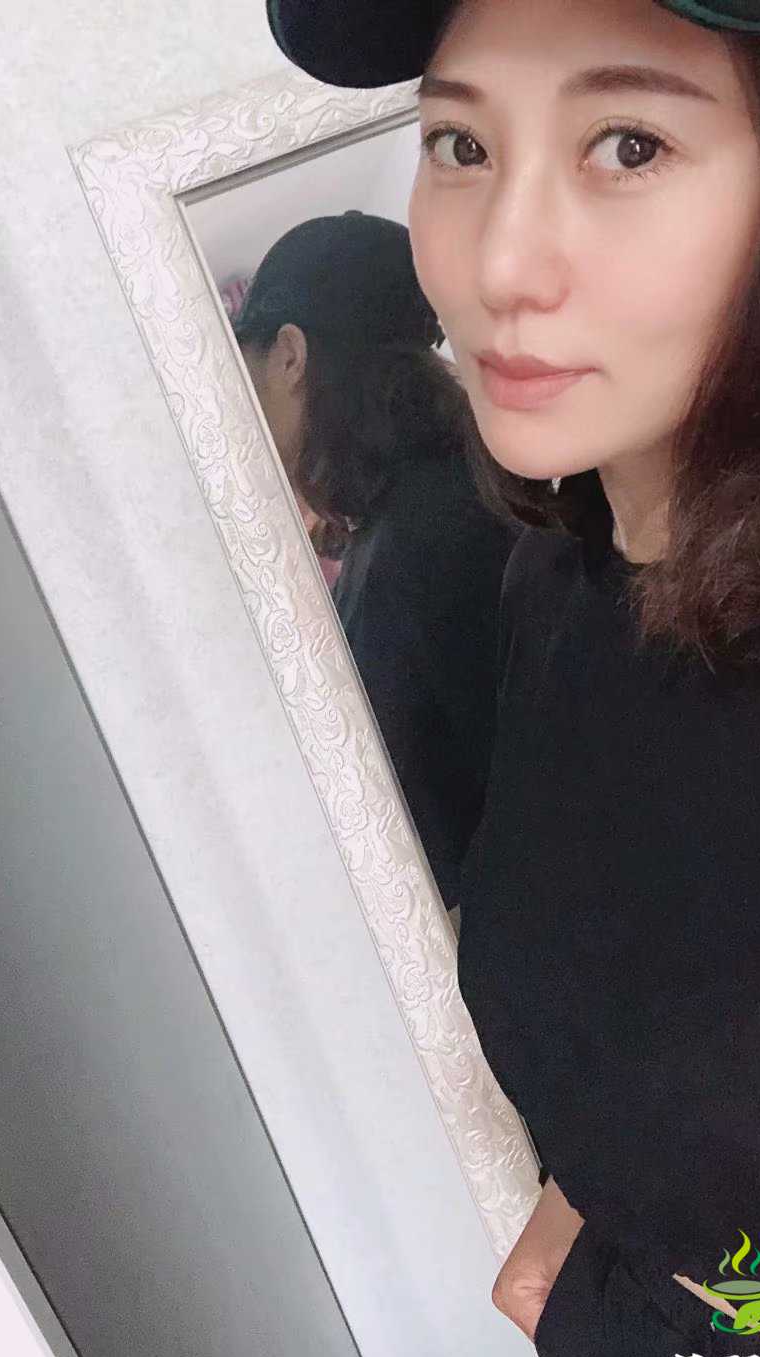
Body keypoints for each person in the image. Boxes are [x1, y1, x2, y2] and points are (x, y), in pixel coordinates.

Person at [266, 1, 760, 1357]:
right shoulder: (561, 574)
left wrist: (615, 1334)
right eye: (460, 145)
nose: (499, 267)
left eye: (629, 144)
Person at [234, 212, 520, 914]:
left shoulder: (428, 535)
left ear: (290, 356)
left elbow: (530, 801)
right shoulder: (438, 505)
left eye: (244, 375)